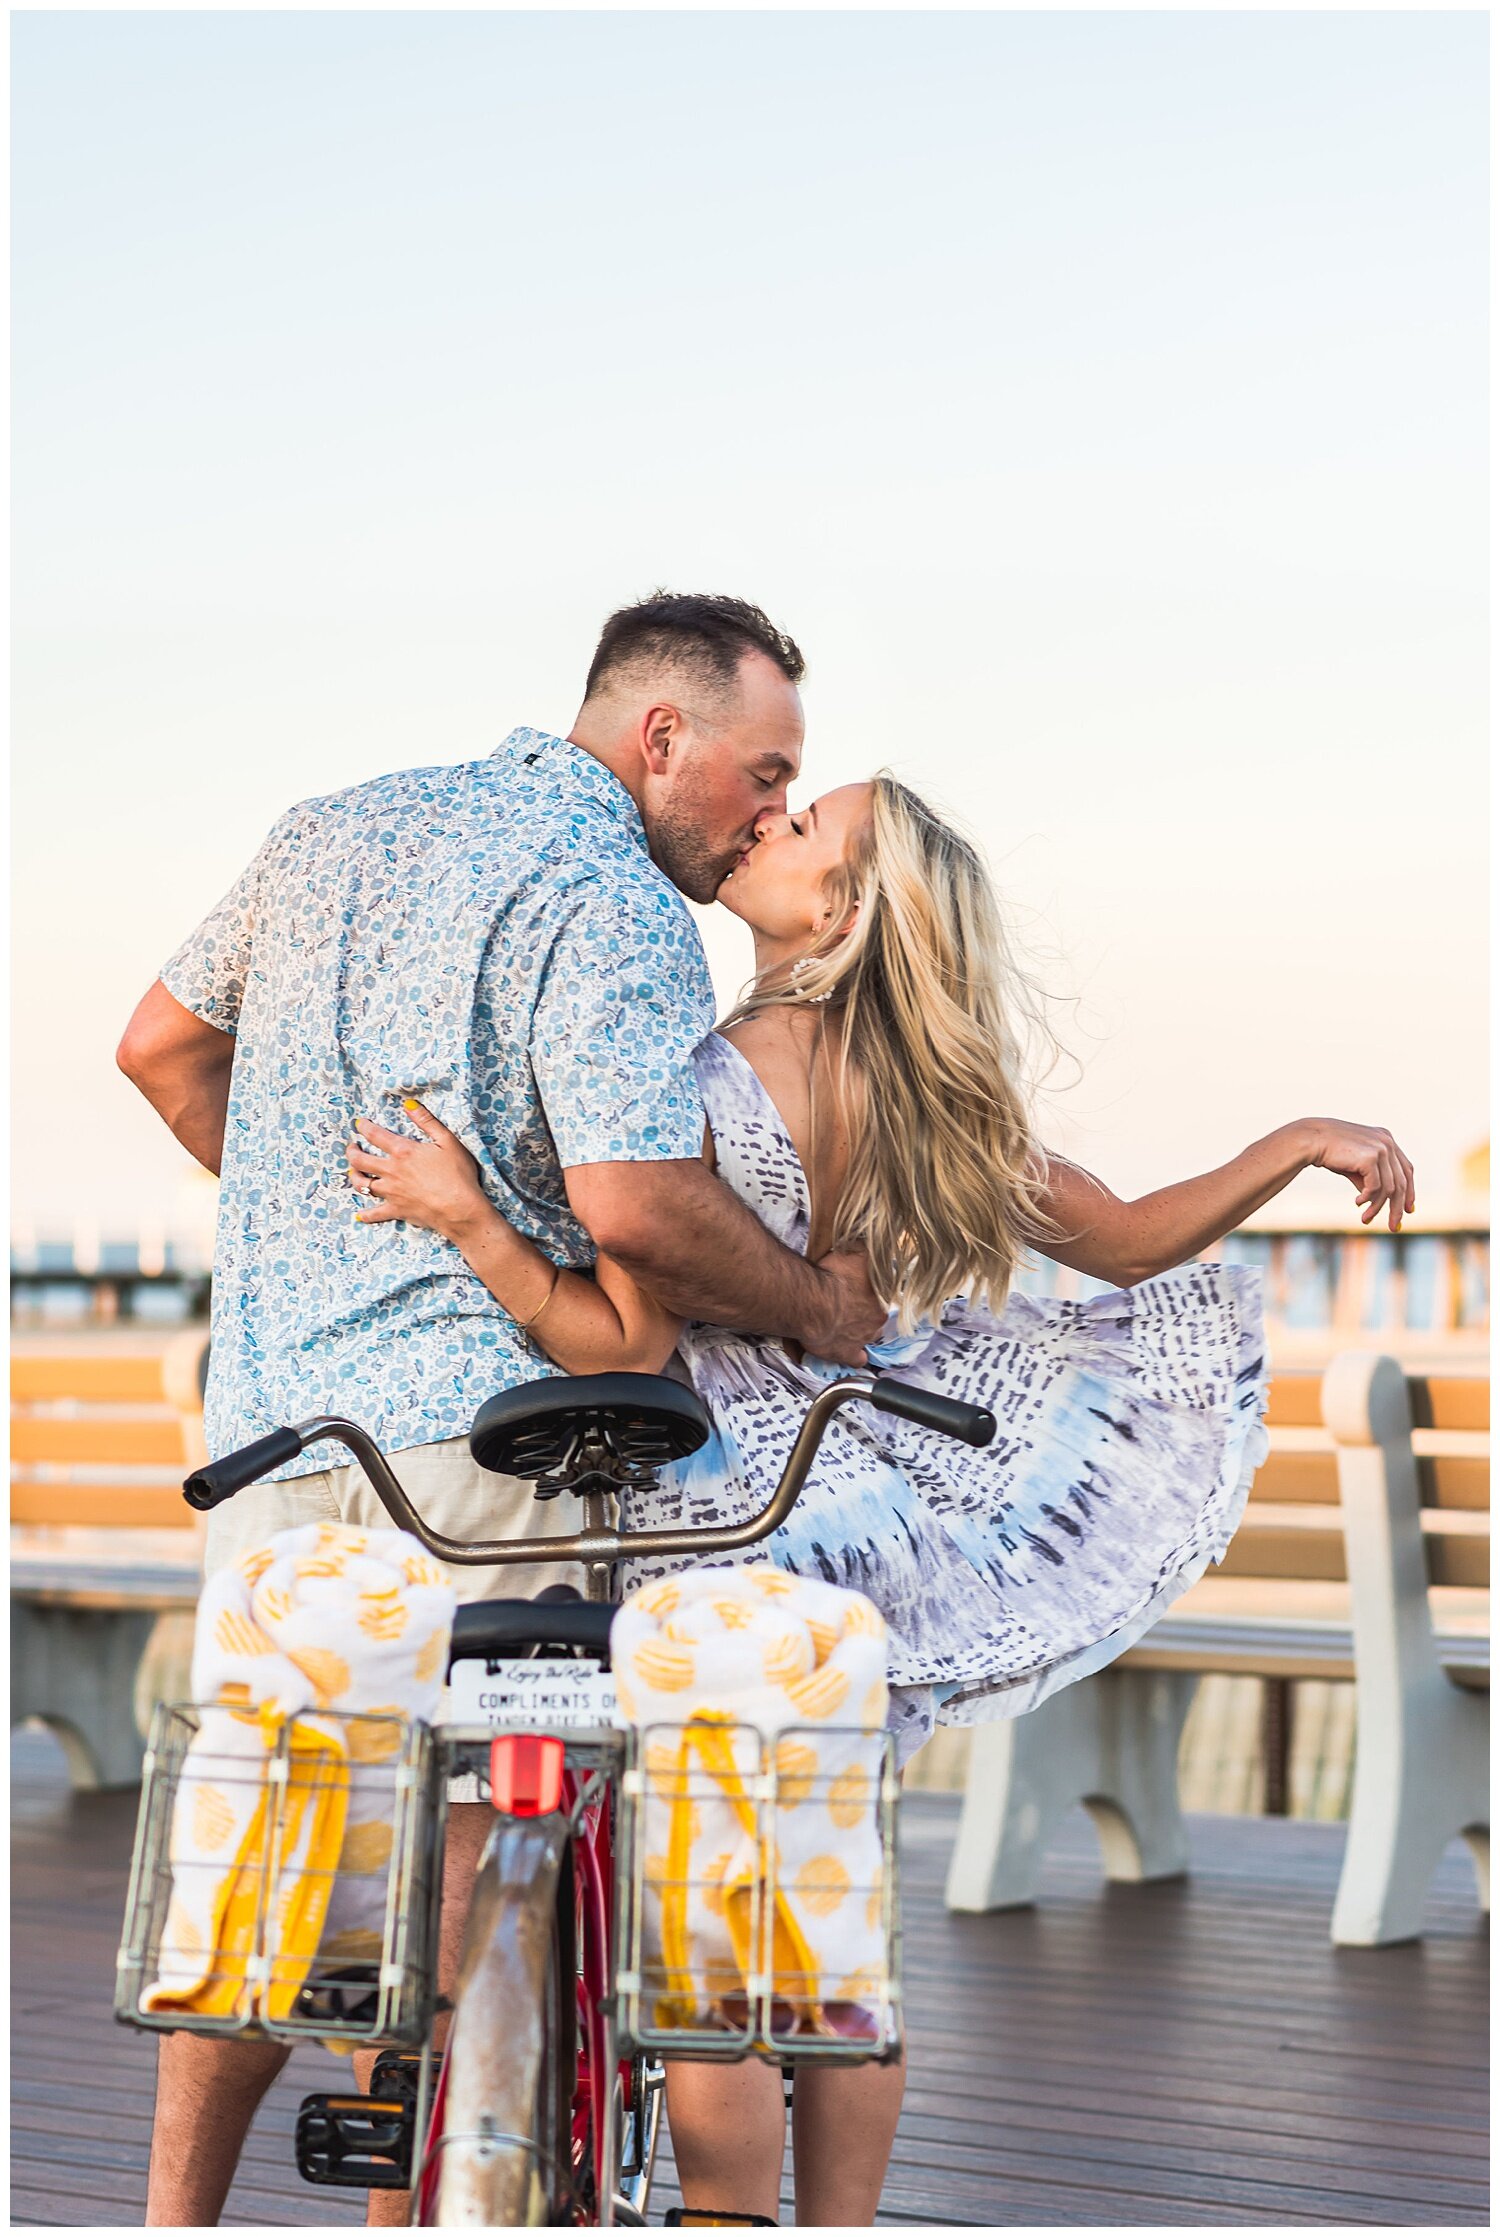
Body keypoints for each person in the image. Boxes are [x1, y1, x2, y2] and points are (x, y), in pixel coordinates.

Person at [357, 770, 1416, 2228]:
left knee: (713, 1911)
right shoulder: (910, 1084)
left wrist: (472, 1215)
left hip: (715, 1506)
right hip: (857, 1512)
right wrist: (1298, 1137)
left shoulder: (704, 1073)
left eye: (806, 829)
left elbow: (627, 1323)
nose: (769, 825)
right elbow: (1119, 1238)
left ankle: (727, 2215)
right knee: (830, 1897)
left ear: (841, 909)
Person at [115, 590, 888, 2229]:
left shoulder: (329, 829)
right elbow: (640, 1205)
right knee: (485, 1832)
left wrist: (308, 1238)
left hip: (272, 1441)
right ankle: (472, 2169)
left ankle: (175, 2218)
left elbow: (163, 1049)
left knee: (270, 1857)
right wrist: (823, 1305)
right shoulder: (608, 891)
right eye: (763, 771)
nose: (768, 811)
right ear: (656, 737)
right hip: (487, 1456)